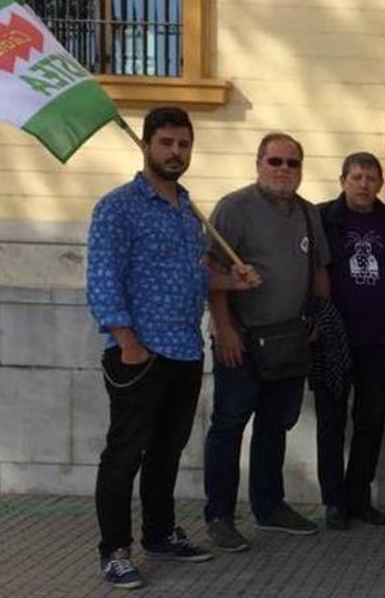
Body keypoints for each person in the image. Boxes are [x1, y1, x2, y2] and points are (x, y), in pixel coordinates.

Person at [86, 107, 260, 589]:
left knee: (166, 451)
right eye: (166, 143)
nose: (175, 153)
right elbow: (103, 280)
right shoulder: (118, 207)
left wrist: (234, 280)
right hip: (139, 354)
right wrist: (127, 343)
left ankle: (160, 533)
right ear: (145, 145)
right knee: (124, 454)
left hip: (185, 349)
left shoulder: (188, 211)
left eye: (183, 144)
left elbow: (196, 275)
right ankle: (115, 550)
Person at [202, 131, 332, 551]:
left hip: (289, 341)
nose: (283, 170)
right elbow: (212, 273)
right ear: (259, 163)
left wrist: (317, 312)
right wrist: (223, 329)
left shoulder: (309, 214)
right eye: (275, 161)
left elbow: (319, 272)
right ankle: (219, 515)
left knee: (275, 426)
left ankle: (269, 506)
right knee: (229, 426)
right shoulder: (234, 209)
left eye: (292, 163)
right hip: (240, 341)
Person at [315, 152, 385, 530]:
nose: (363, 184)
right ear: (342, 179)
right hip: (332, 342)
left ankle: (359, 496)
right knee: (331, 421)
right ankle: (334, 501)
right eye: (356, 177)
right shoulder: (322, 219)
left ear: (380, 183)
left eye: (370, 178)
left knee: (370, 422)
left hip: (379, 342)